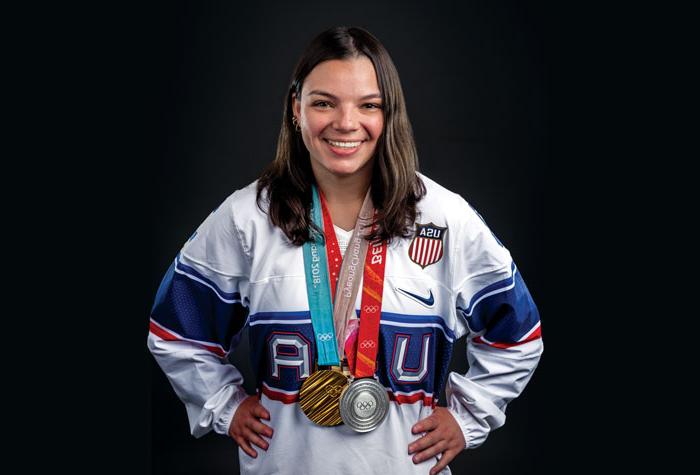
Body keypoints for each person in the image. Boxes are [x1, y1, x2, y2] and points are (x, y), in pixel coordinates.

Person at [147, 26, 543, 475]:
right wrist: (224, 406)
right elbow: (176, 334)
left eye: (368, 105)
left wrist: (467, 417)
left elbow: (518, 336)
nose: (346, 123)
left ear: (389, 114)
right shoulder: (246, 218)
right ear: (296, 109)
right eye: (323, 102)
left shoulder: (444, 218)